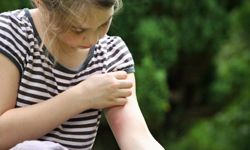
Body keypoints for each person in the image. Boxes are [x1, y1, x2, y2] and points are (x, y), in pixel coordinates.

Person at [0, 0, 165, 149]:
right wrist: (83, 96)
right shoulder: (12, 34)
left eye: (104, 23)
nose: (92, 39)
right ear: (41, 4)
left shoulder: (111, 55)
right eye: (78, 30)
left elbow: (137, 138)